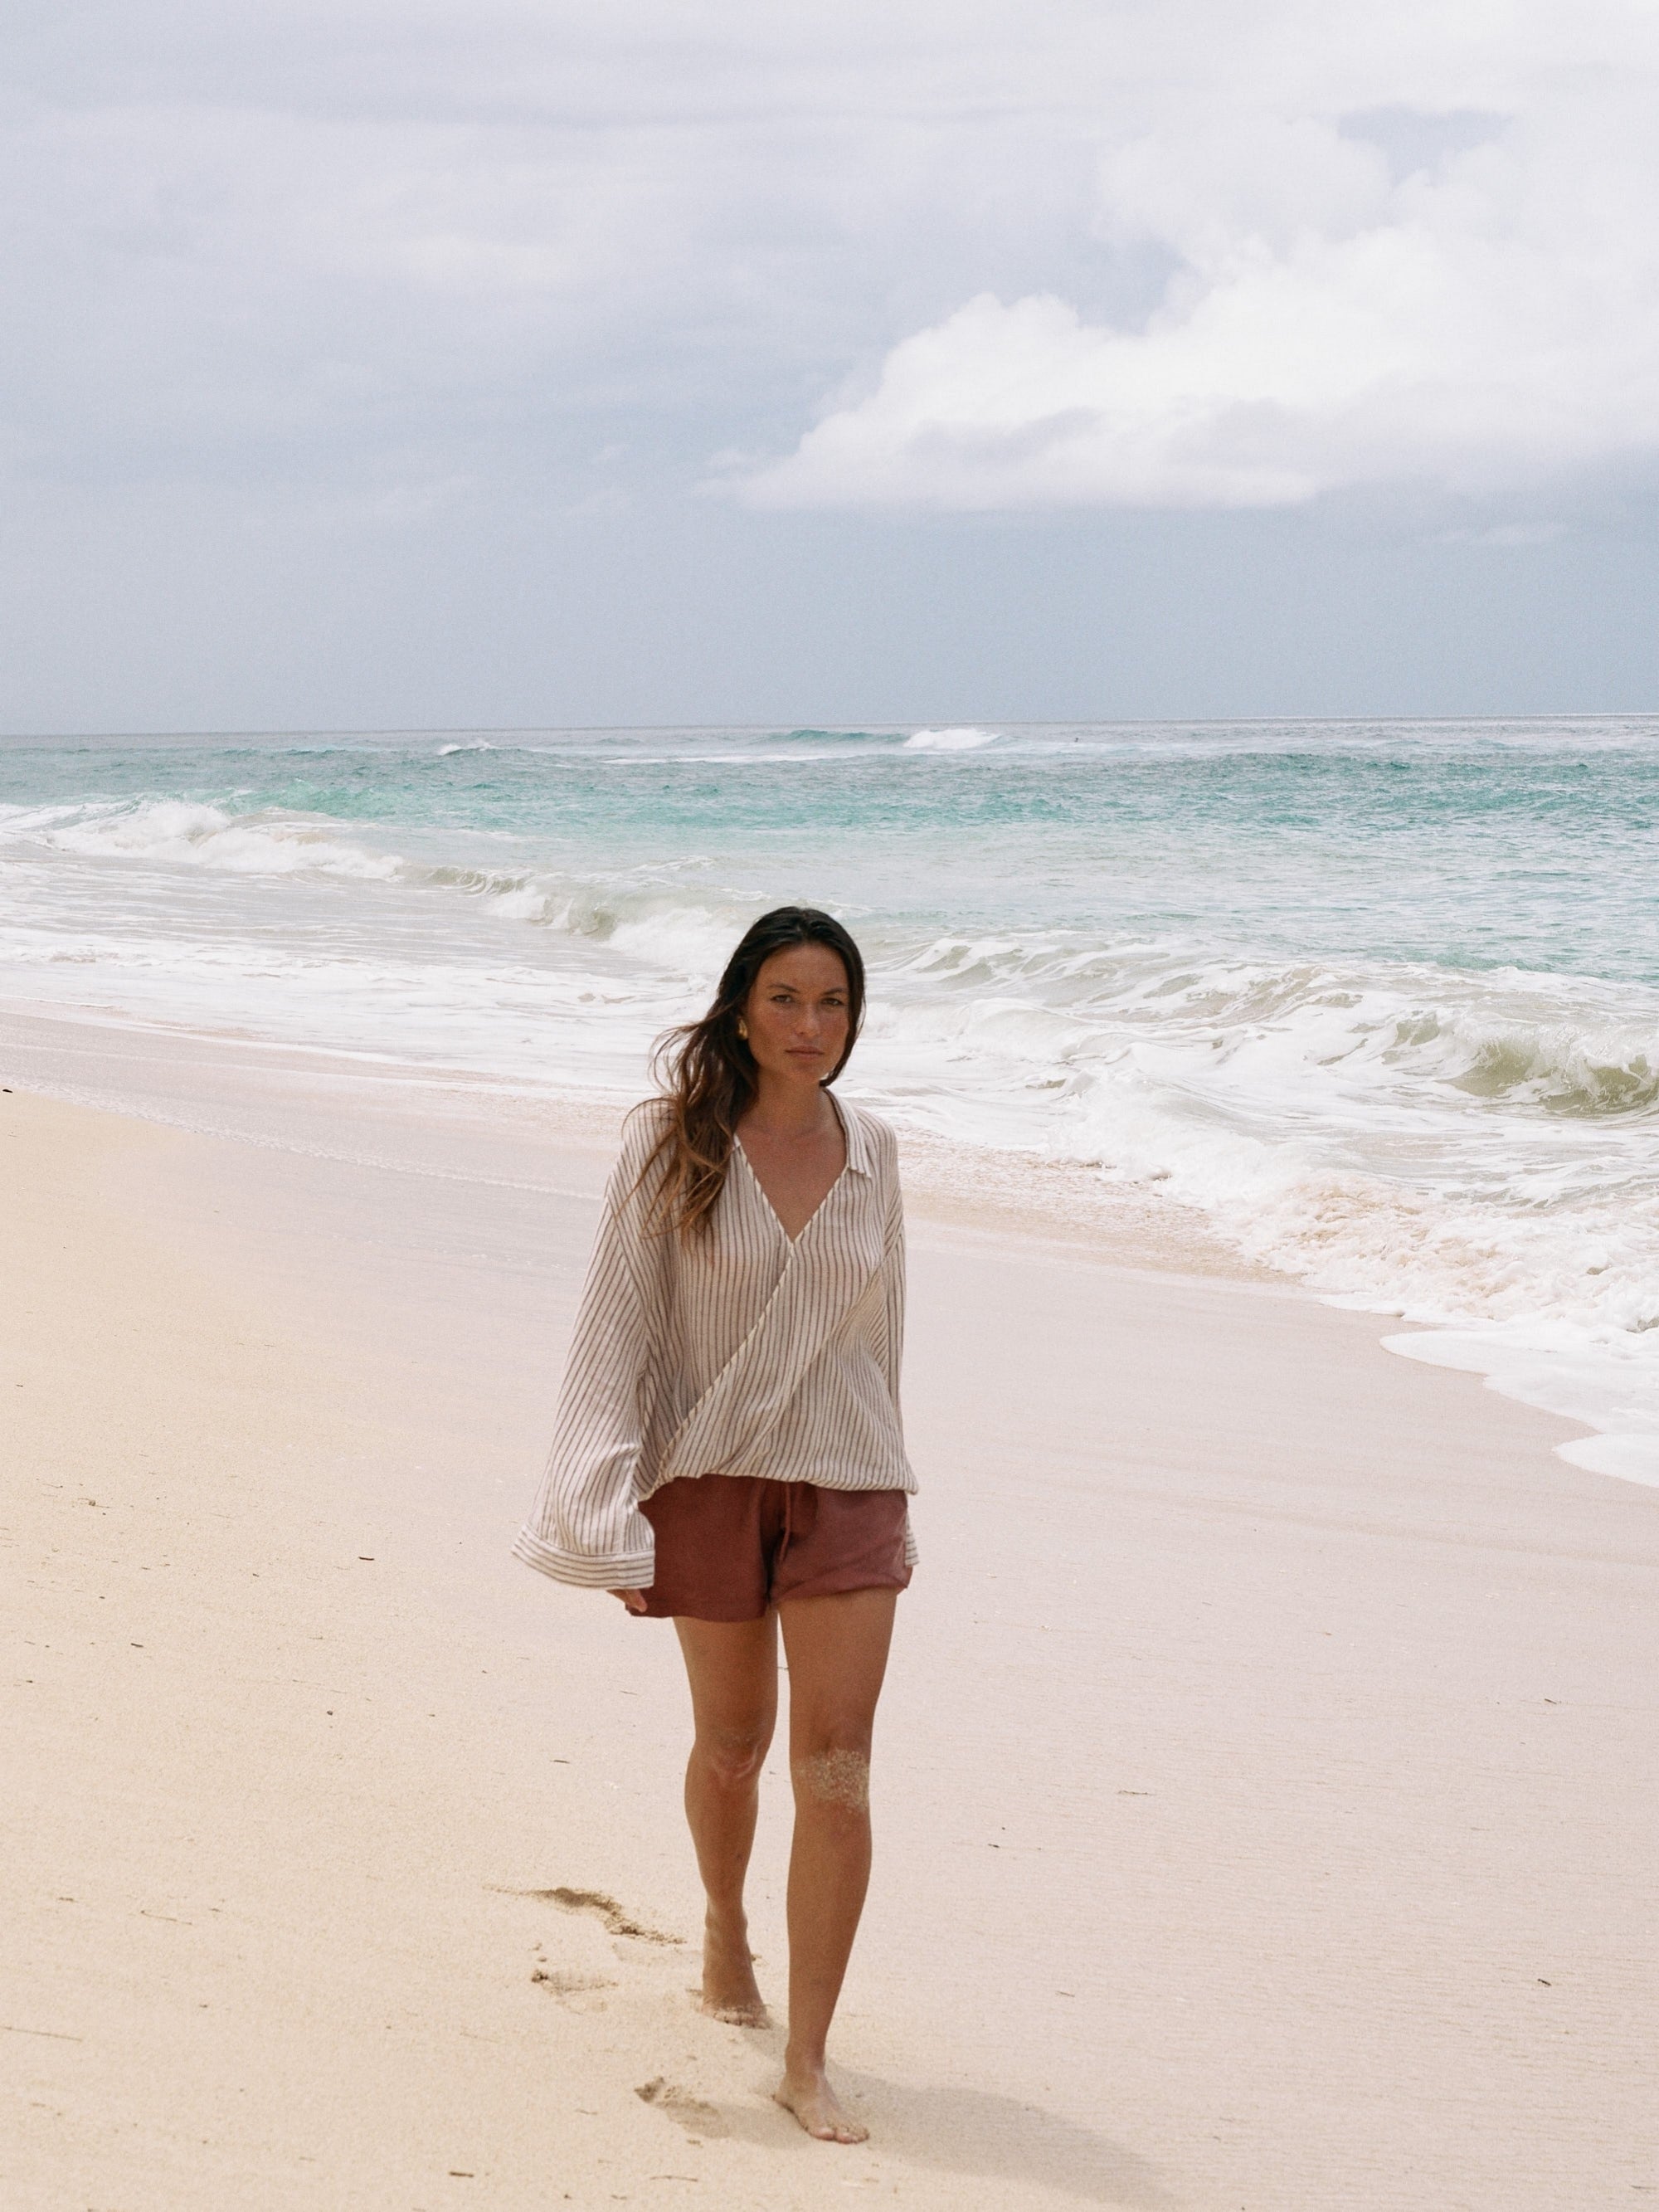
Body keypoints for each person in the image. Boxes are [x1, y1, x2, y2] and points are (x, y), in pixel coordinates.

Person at [513, 905, 916, 2146]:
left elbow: (880, 1335)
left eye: (834, 1003)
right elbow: (618, 1321)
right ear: (743, 1004)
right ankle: (725, 1925)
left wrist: (885, 1466)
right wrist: (609, 1485)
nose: (811, 1026)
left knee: (836, 1767)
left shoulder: (876, 1150)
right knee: (735, 1745)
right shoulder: (671, 1141)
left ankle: (808, 2056)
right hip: (711, 1472)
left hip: (846, 1476)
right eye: (788, 998)